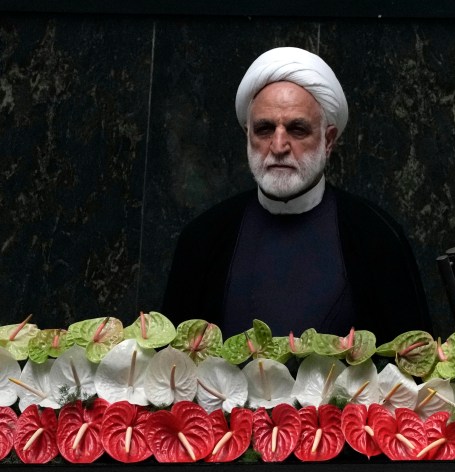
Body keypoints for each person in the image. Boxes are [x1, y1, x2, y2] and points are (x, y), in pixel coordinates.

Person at [163, 47, 430, 340]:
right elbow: (171, 367)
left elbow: (415, 371)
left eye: (297, 129)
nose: (278, 146)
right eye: (264, 129)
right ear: (247, 135)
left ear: (328, 140)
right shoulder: (203, 239)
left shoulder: (377, 237)